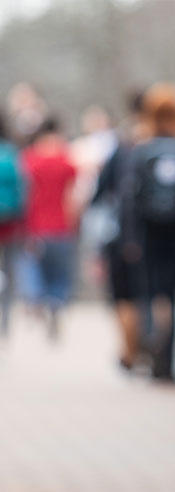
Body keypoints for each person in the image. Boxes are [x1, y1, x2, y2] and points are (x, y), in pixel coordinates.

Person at [123, 83, 175, 383]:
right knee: (171, 296)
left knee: (149, 293)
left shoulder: (141, 149)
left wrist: (130, 237)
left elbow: (129, 198)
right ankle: (168, 362)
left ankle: (152, 350)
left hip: (147, 232)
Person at [89, 92, 147, 371]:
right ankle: (156, 352)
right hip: (160, 239)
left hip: (123, 234)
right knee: (155, 294)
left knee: (123, 295)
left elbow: (100, 191)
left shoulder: (123, 147)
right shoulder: (174, 146)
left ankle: (129, 351)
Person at [17, 117, 77, 339]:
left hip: (36, 227)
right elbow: (74, 195)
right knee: (60, 273)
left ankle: (37, 300)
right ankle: (56, 302)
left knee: (35, 268)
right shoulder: (66, 161)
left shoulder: (29, 160)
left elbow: (25, 195)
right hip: (62, 226)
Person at [0, 111, 25, 336]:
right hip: (9, 221)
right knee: (8, 270)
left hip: (9, 219)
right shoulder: (11, 153)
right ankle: (4, 320)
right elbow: (22, 188)